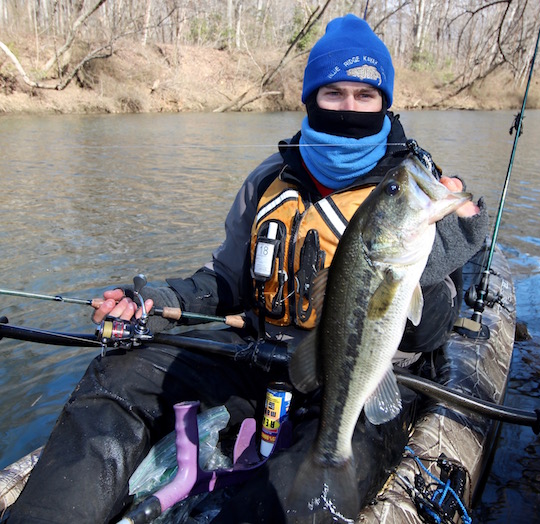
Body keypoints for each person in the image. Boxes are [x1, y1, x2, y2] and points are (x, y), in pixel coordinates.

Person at [8, 14, 488, 524]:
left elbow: (430, 330)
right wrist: (158, 301)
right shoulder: (268, 181)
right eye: (334, 93)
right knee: (121, 367)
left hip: (350, 379)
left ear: (384, 104)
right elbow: (224, 283)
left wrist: (432, 270)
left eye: (365, 96)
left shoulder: (416, 192)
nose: (349, 107)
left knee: (295, 497)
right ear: (310, 99)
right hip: (258, 355)